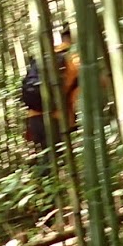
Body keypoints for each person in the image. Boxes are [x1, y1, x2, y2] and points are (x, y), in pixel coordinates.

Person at [21, 26, 80, 169]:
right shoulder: (73, 59)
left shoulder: (46, 56)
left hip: (34, 119)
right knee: (57, 164)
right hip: (55, 119)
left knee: (47, 164)